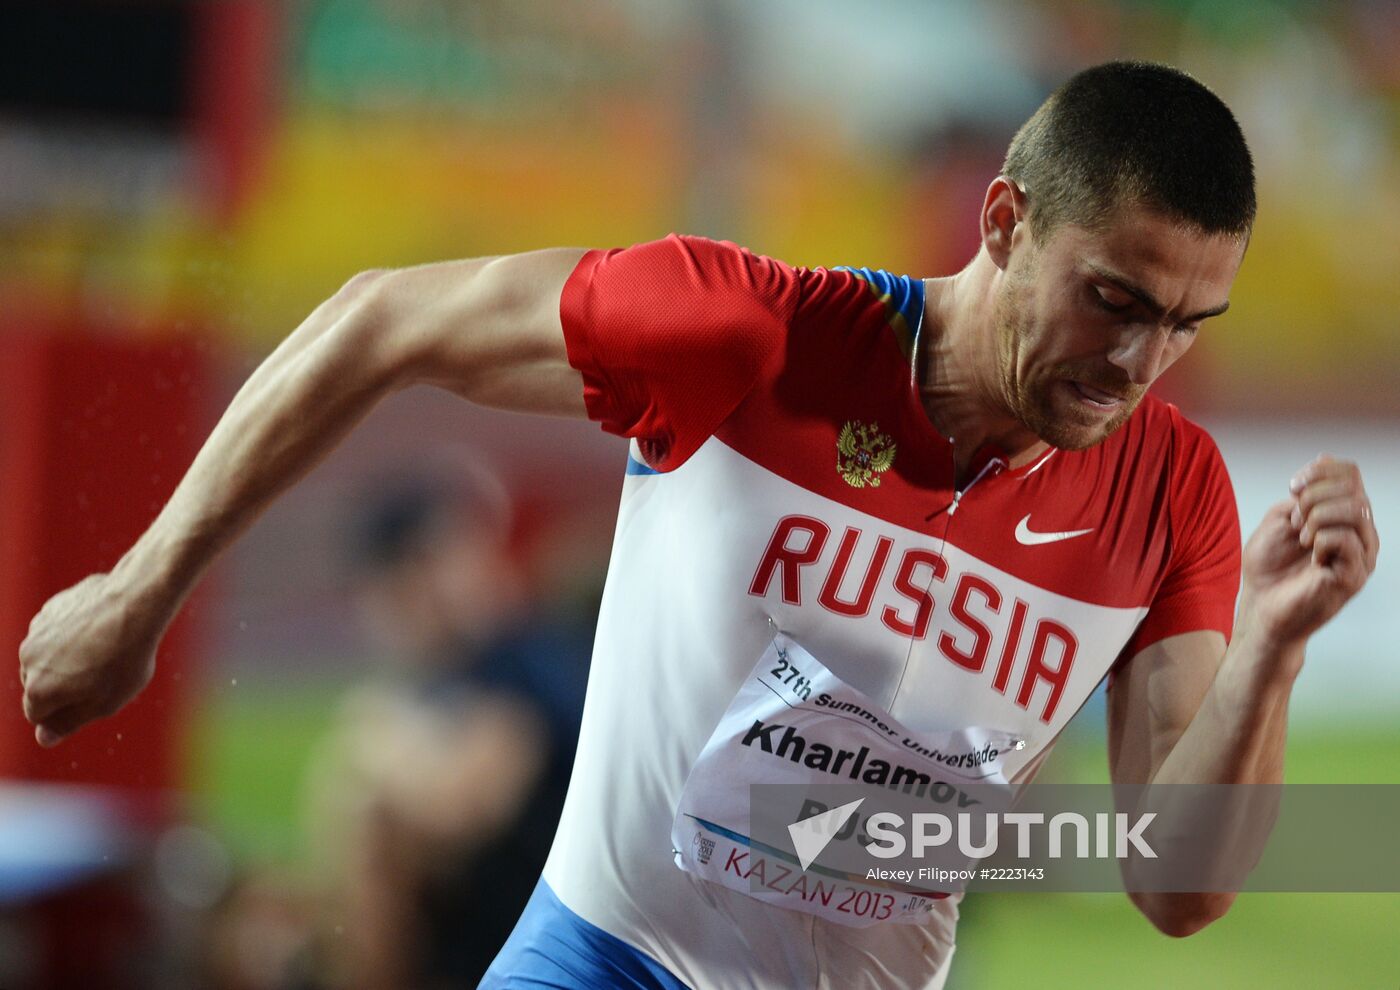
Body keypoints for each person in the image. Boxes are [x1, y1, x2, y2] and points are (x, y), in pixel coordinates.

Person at [18, 61, 1379, 989]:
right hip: (605, 956)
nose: (1141, 364)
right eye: (1116, 301)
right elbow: (380, 316)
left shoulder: (1171, 489)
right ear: (1008, 221)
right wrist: (137, 593)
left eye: (1188, 327)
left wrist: (1269, 642)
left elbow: (1177, 886)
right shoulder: (747, 332)